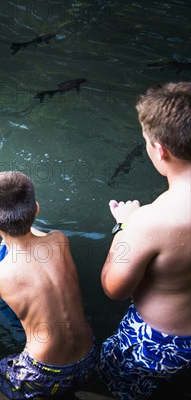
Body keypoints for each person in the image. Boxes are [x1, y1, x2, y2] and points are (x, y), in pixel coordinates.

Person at [0, 171, 95, 399]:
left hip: (45, 372)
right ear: (36, 209)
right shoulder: (59, 240)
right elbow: (34, 235)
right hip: (90, 355)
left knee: (3, 371)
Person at [99, 82, 191, 399]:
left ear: (160, 150)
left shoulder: (150, 222)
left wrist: (124, 227)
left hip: (159, 342)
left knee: (117, 387)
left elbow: (114, 288)